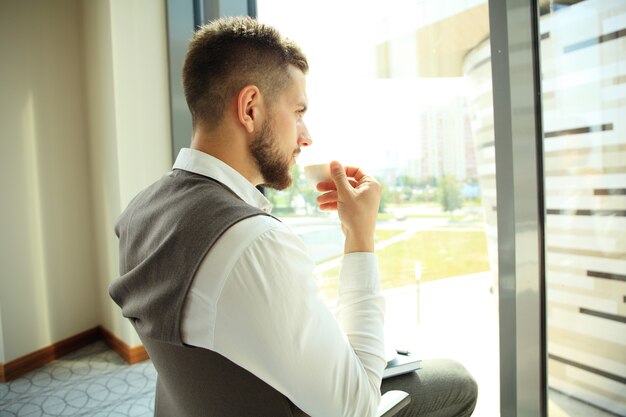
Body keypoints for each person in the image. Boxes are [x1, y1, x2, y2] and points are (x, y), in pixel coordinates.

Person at [109, 16, 477, 417]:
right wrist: (360, 236)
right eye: (298, 111)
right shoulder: (253, 242)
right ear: (250, 108)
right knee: (457, 383)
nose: (306, 135)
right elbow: (356, 407)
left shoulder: (140, 213)